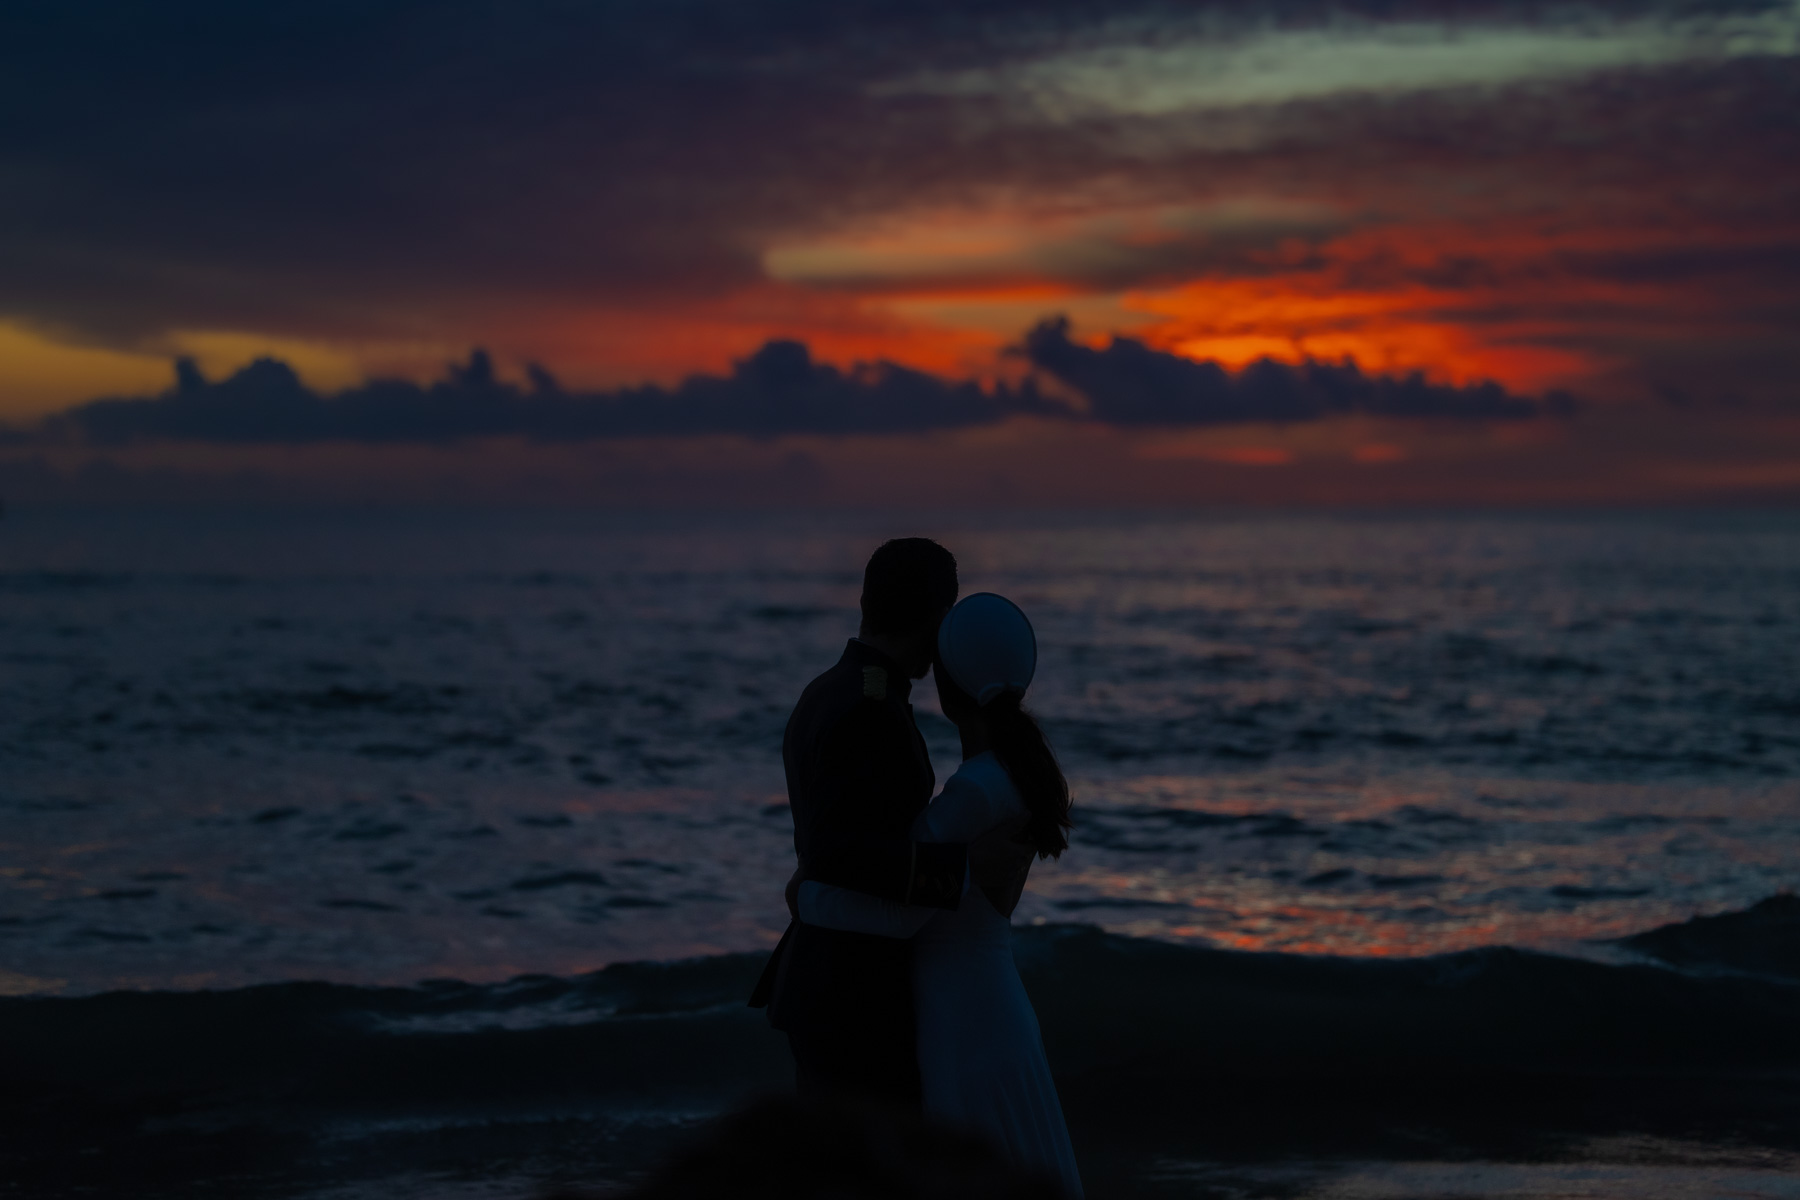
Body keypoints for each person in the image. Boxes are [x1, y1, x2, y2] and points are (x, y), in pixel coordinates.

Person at [788, 592, 1083, 1198]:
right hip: (989, 998)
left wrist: (804, 895)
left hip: (959, 1012)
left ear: (949, 692)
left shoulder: (974, 791)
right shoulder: (1008, 772)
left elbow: (902, 908)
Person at [751, 539, 1028, 1108]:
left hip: (833, 979)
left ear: (866, 600)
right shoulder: (868, 708)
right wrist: (965, 868)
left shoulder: (834, 688)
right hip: (851, 990)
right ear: (938, 617)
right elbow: (842, 851)